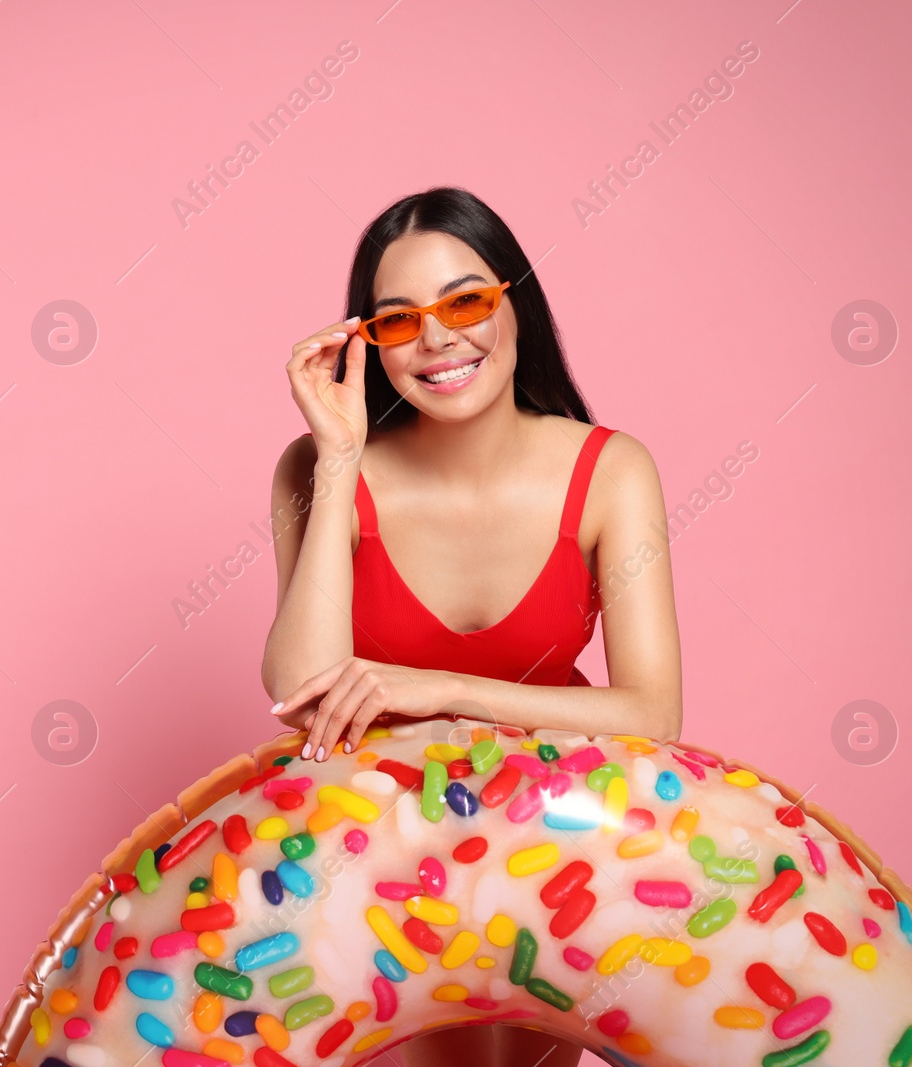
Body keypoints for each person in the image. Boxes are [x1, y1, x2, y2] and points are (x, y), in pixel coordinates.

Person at [259, 186, 684, 1067]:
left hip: (560, 838)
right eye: (398, 321)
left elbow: (654, 712)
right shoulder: (316, 464)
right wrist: (339, 456)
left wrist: (445, 691)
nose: (438, 339)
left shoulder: (611, 470)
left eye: (466, 302)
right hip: (383, 843)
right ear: (368, 343)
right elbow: (300, 688)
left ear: (515, 303)